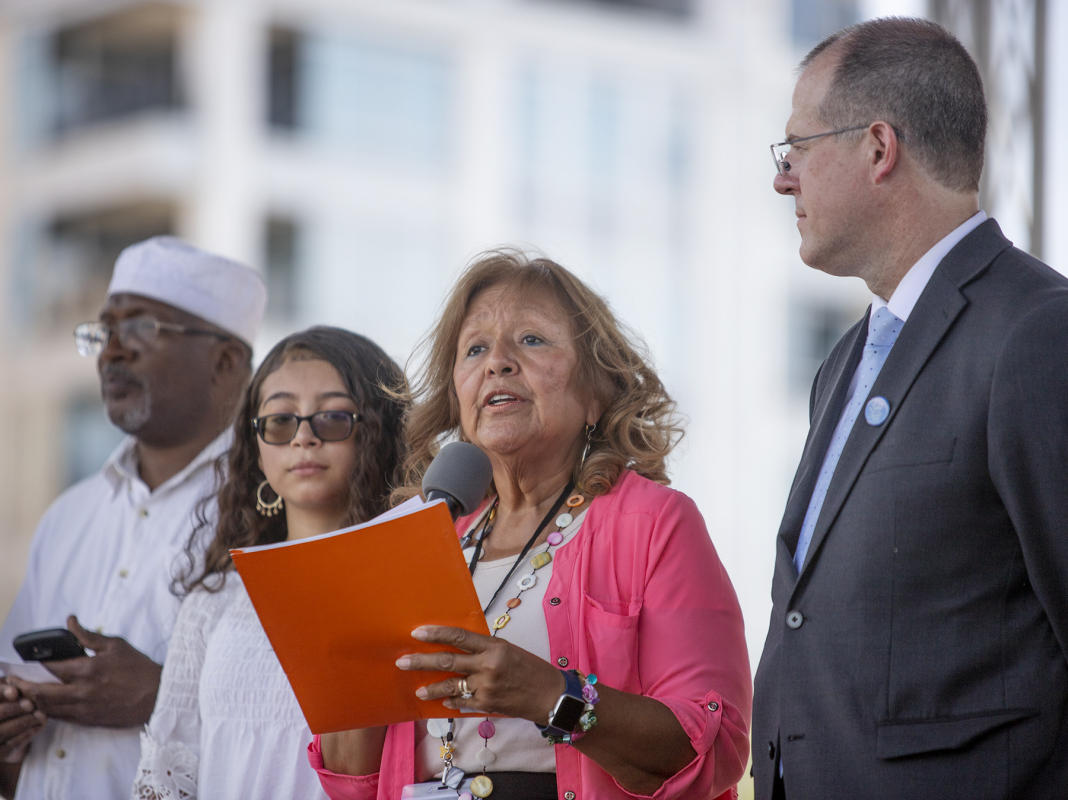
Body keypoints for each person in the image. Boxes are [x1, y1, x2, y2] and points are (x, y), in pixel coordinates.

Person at [753, 17, 1068, 800]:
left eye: (796, 148)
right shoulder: (842, 363)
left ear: (878, 147)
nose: (782, 178)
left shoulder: (1037, 332)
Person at [308, 250, 752, 800]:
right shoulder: (425, 542)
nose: (497, 362)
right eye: (475, 349)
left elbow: (715, 748)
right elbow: (352, 780)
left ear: (595, 394)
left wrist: (552, 696)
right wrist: (346, 660)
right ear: (458, 398)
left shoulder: (653, 523)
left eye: (532, 340)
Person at [0, 236, 267, 800]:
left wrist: (160, 696)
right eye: (105, 329)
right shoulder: (70, 515)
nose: (111, 350)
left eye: (142, 327)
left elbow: (304, 726)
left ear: (225, 361)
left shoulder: (271, 514)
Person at [130, 326, 408, 799]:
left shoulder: (409, 584)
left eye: (333, 417)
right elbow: (168, 772)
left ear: (377, 431)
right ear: (256, 448)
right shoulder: (215, 599)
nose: (303, 437)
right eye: (280, 421)